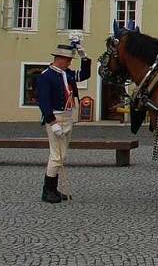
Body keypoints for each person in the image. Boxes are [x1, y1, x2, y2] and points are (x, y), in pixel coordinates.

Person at [36, 40, 91, 203]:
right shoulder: (46, 76)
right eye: (67, 60)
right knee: (56, 155)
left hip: (67, 116)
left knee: (62, 154)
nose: (68, 63)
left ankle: (53, 189)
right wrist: (52, 123)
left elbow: (85, 75)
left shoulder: (66, 74)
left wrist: (84, 56)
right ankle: (47, 191)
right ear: (58, 58)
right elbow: (43, 101)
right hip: (56, 117)